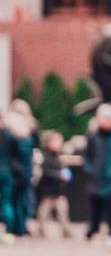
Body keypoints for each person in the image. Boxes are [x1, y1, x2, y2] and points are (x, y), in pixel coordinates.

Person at [84, 104, 111, 245]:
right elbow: (87, 155)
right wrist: (89, 168)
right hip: (95, 179)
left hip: (110, 180)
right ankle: (93, 231)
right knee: (95, 209)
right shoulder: (94, 137)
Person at [4, 99, 39, 237]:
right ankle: (21, 226)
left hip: (12, 170)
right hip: (25, 169)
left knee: (11, 200)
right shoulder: (29, 131)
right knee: (22, 199)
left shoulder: (8, 132)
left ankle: (13, 227)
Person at [35, 130, 73, 239]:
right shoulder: (45, 156)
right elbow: (46, 172)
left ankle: (66, 230)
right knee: (44, 211)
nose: (59, 144)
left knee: (63, 211)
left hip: (59, 190)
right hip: (48, 190)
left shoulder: (57, 156)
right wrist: (59, 175)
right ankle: (40, 228)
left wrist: (65, 173)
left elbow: (61, 169)